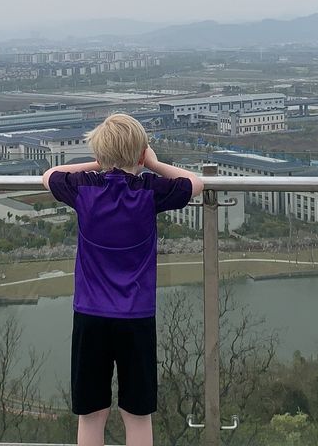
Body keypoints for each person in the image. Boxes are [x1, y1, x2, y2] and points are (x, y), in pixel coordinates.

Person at [42, 113, 203, 446]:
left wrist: (96, 164)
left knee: (91, 414)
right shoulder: (149, 191)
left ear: (100, 153)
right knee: (137, 414)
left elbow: (50, 175)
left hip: (90, 315)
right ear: (141, 153)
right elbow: (194, 183)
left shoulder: (84, 188)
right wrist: (154, 165)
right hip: (136, 317)